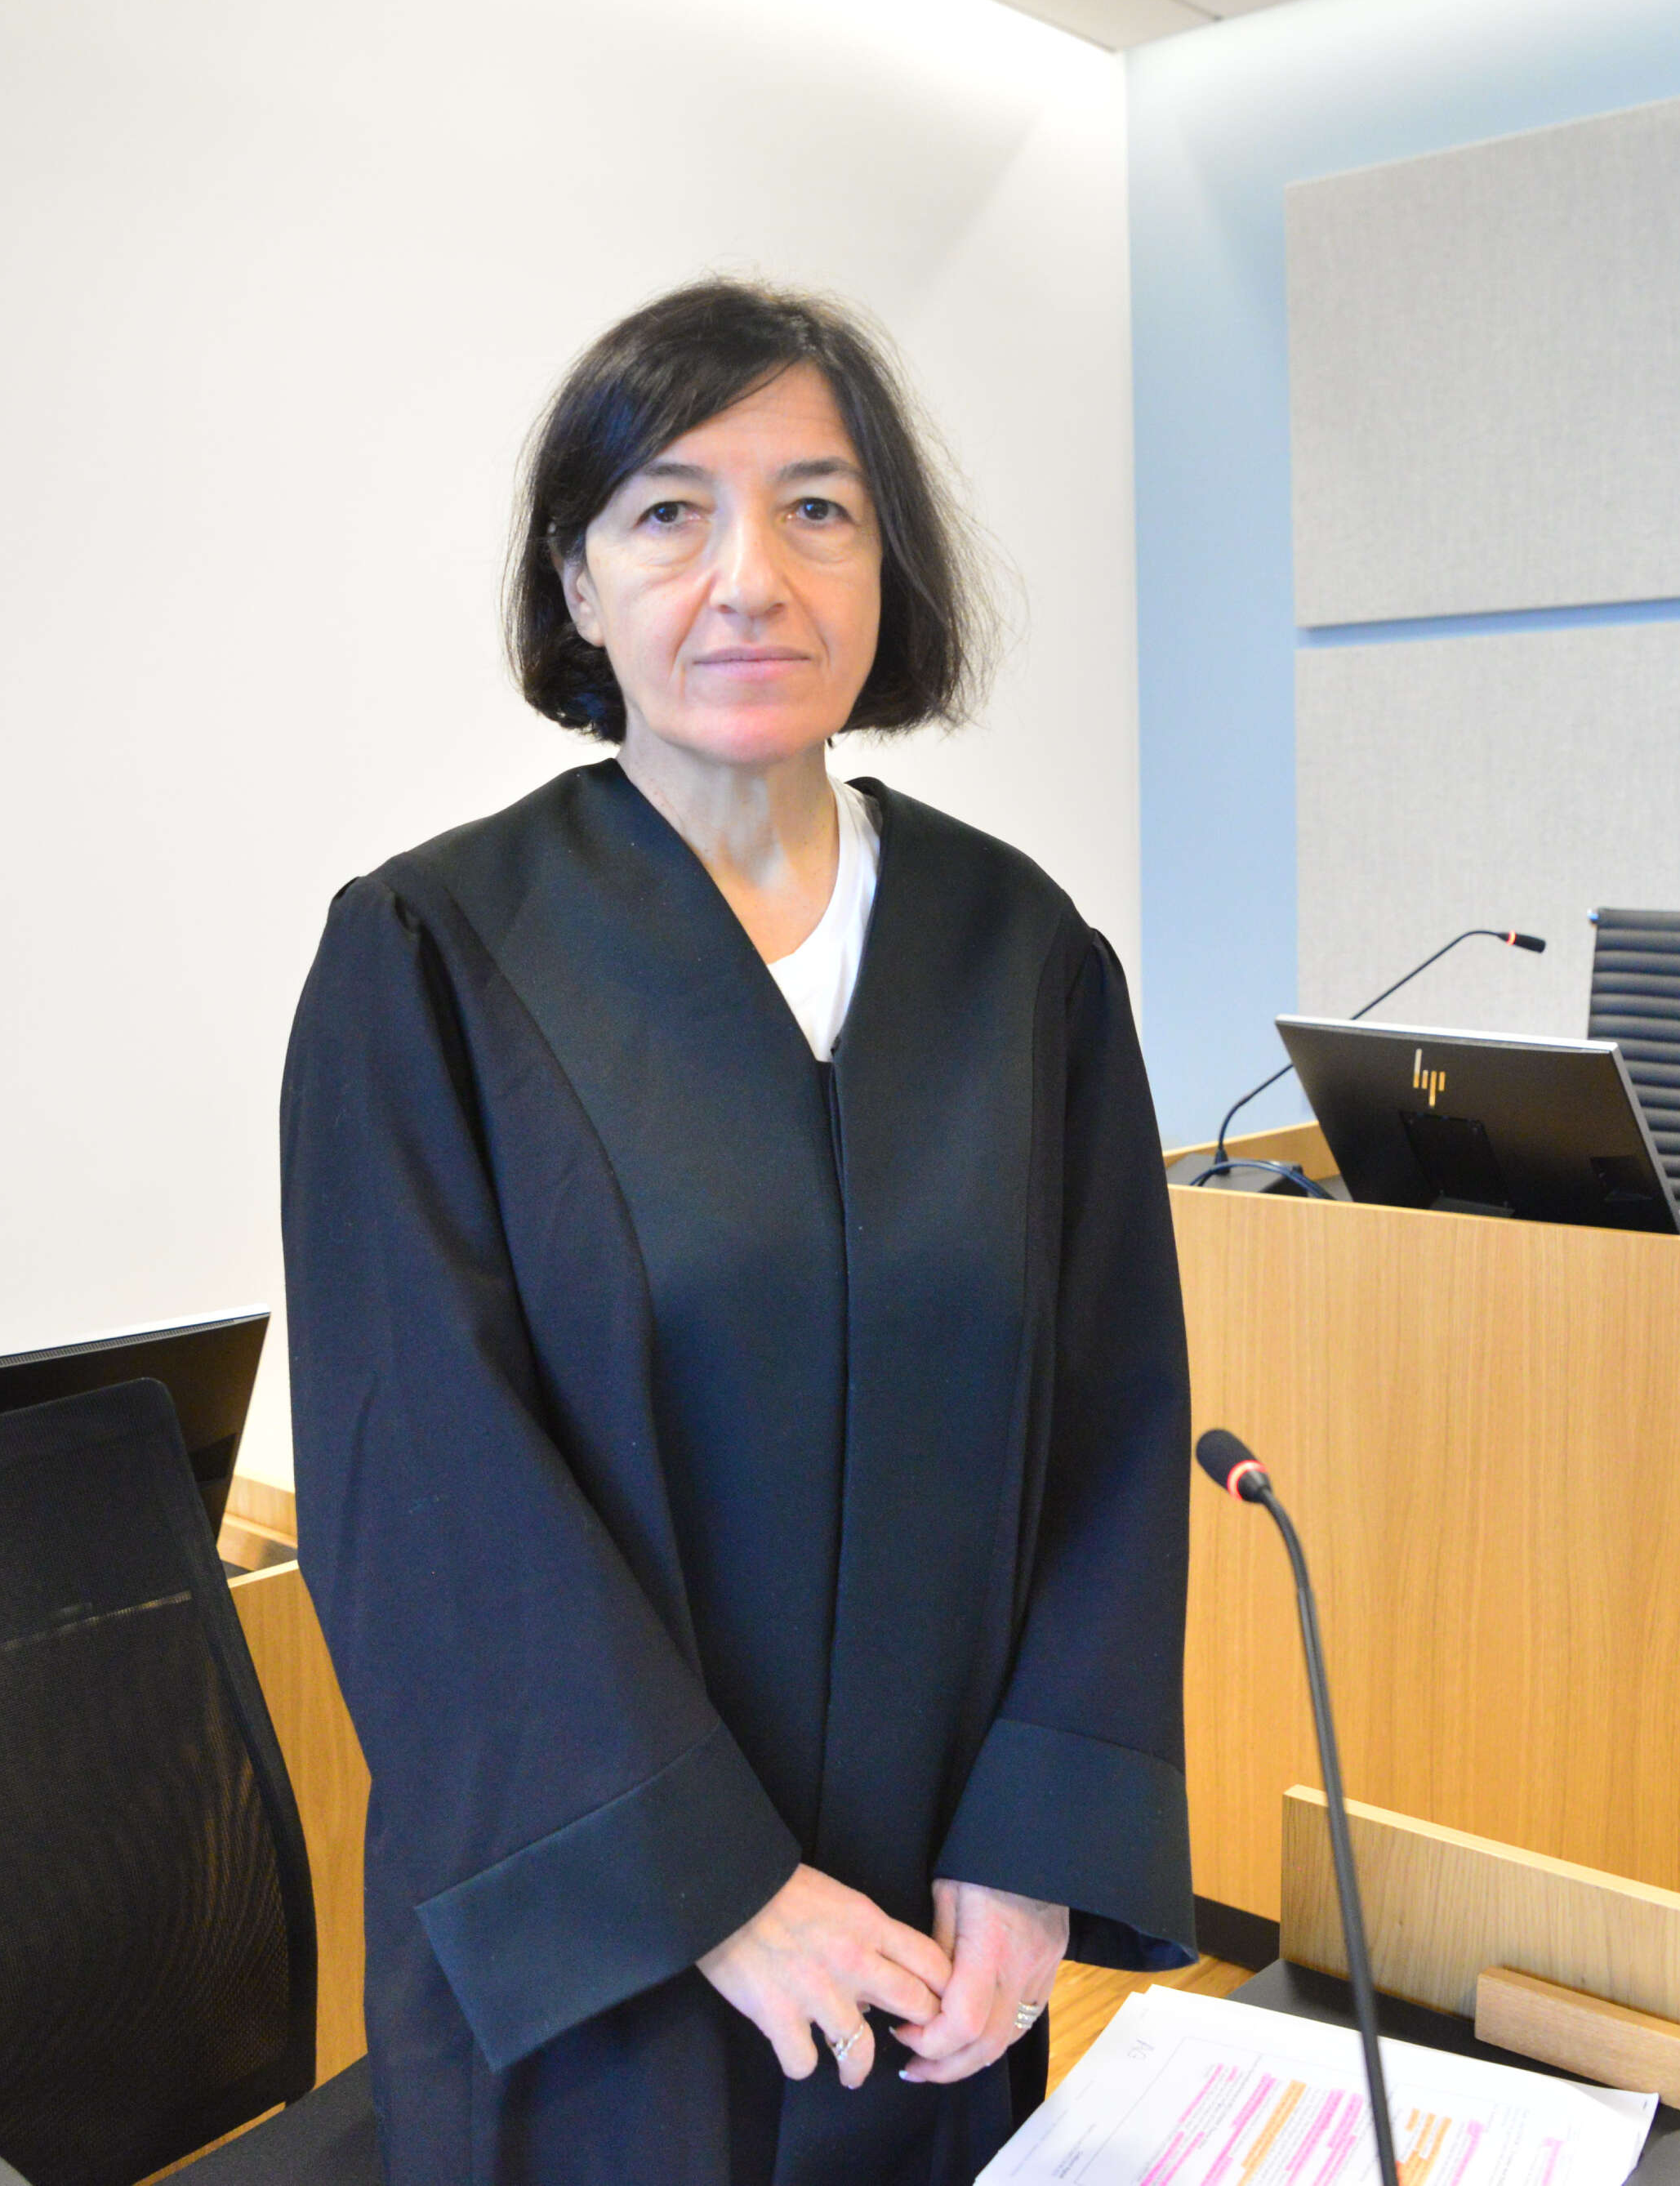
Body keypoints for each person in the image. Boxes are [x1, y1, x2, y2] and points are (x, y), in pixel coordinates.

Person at [278, 279, 1194, 2186]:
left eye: (815, 508)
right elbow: (421, 1484)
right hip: (599, 1969)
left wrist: (1034, 1842)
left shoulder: (1021, 959)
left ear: (886, 565)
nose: (748, 580)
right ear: (577, 583)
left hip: (937, 1948)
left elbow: (1112, 1427)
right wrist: (703, 1885)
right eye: (668, 513)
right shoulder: (431, 958)